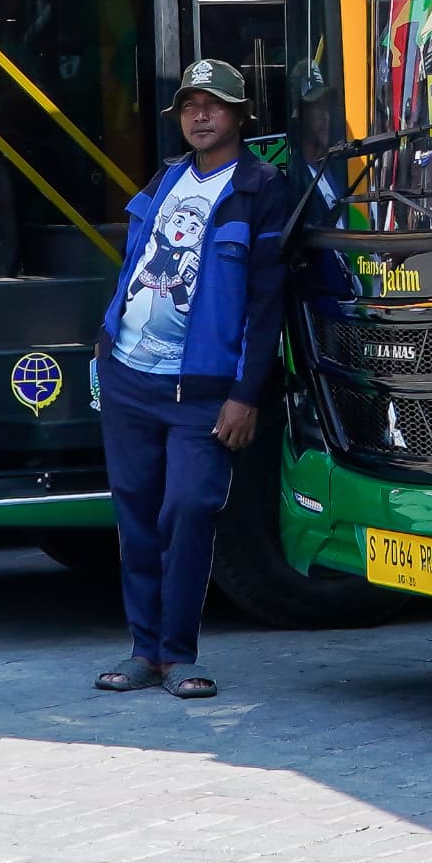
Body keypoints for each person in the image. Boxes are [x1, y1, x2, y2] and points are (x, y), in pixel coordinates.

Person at [87, 60, 298, 701]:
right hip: (128, 376)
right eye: (188, 106)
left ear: (240, 115)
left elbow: (267, 305)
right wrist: (102, 351)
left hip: (201, 392)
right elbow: (136, 264)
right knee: (137, 515)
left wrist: (245, 394)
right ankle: (143, 653)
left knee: (188, 509)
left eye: (213, 105)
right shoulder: (168, 177)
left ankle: (180, 654)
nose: (199, 116)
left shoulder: (263, 188)